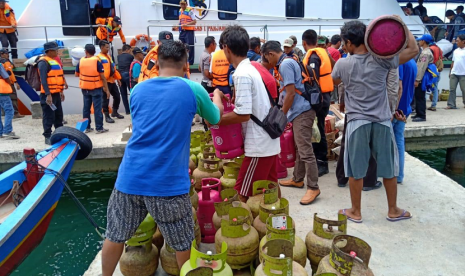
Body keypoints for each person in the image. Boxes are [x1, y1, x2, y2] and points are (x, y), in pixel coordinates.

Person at [101, 40, 223, 276]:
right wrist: (216, 95)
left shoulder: (138, 90)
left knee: (115, 235)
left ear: (157, 63)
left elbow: (146, 130)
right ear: (185, 63)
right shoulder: (193, 89)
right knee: (182, 240)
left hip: (130, 179)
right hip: (167, 184)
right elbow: (215, 119)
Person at [331, 19, 418, 223]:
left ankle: (355, 211)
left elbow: (334, 81)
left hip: (357, 122)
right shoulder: (382, 60)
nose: (344, 46)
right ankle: (393, 210)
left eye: (345, 43)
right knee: (389, 169)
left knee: (355, 170)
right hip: (381, 121)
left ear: (350, 43)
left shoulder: (343, 63)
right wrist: (399, 24)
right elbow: (413, 50)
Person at [216, 25, 280, 203]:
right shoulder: (252, 68)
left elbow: (243, 114)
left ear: (226, 48)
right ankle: (278, 224)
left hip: (259, 145)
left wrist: (217, 120)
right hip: (268, 141)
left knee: (242, 193)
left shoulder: (242, 74)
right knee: (271, 190)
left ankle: (235, 228)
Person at [262, 41, 320, 205]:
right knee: (299, 147)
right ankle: (298, 179)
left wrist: (282, 115)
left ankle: (313, 187)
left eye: (266, 58)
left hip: (302, 111)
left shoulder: (285, 65)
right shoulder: (289, 60)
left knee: (305, 150)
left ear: (270, 54)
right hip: (300, 111)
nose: (267, 62)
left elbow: (290, 94)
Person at [301, 29, 334, 176]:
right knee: (317, 130)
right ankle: (318, 161)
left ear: (304, 43)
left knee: (318, 131)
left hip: (318, 100)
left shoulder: (313, 57)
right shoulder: (322, 53)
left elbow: (313, 83)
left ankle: (321, 163)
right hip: (324, 97)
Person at [38, 42, 68, 145]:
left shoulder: (54, 61)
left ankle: (59, 133)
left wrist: (61, 91)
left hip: (56, 94)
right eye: (55, 50)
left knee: (58, 115)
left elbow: (58, 78)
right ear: (49, 51)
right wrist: (48, 94)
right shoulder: (43, 62)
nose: (57, 51)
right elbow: (43, 80)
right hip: (48, 95)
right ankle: (47, 136)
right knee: (48, 116)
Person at [75, 44, 110, 134]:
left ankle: (87, 127)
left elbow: (76, 74)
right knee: (97, 108)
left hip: (85, 88)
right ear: (94, 52)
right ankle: (99, 128)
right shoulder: (97, 61)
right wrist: (106, 89)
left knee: (86, 108)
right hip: (96, 88)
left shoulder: (81, 61)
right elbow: (103, 76)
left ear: (86, 51)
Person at [394, 58, 418, 184]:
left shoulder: (400, 61)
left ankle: (392, 174)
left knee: (389, 143)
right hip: (405, 107)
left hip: (397, 110)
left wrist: (394, 110)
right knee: (399, 142)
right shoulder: (412, 61)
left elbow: (399, 87)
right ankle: (398, 175)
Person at [97, 40, 124, 123]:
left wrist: (118, 79)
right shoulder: (98, 58)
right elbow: (99, 72)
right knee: (105, 99)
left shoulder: (108, 56)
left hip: (112, 81)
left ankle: (114, 112)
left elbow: (113, 68)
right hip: (105, 82)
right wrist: (103, 84)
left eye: (108, 47)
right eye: (107, 47)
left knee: (117, 96)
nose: (108, 49)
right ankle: (107, 116)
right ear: (101, 47)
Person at [413, 34, 434, 122]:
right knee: (418, 96)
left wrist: (417, 80)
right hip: (422, 76)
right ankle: (418, 113)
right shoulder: (425, 51)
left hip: (422, 77)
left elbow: (421, 67)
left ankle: (421, 115)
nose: (419, 42)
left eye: (420, 40)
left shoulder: (425, 53)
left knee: (420, 96)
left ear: (424, 41)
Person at [0, 49, 22, 118]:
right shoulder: (5, 62)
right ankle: (15, 113)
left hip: (2, 84)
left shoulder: (3, 62)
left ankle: (7, 113)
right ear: (2, 54)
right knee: (13, 97)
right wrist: (15, 82)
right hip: (8, 83)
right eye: (6, 53)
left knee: (5, 99)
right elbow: (10, 74)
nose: (8, 55)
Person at [447, 34, 465, 109]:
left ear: (463, 41)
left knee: (464, 89)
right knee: (452, 89)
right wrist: (450, 71)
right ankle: (451, 104)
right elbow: (453, 62)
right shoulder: (455, 51)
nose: (456, 42)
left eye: (458, 41)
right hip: (454, 73)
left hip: (463, 73)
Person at [0, 62, 18, 139]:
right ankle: (7, 131)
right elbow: (6, 77)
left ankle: (0, 131)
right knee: (9, 111)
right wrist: (10, 83)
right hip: (2, 91)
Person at [117, 44, 133, 115]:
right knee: (132, 93)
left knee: (123, 94)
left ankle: (127, 111)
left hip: (120, 76)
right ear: (127, 49)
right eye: (130, 50)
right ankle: (133, 109)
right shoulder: (130, 56)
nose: (130, 52)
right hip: (127, 75)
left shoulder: (118, 56)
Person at [179, 1, 196, 65]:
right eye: (181, 4)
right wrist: (176, 27)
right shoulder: (180, 11)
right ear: (179, 4)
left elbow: (194, 21)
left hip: (189, 31)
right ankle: (183, 60)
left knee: (190, 46)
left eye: (184, 4)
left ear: (186, 4)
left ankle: (190, 62)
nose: (182, 5)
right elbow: (180, 21)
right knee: (181, 46)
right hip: (182, 31)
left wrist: (187, 24)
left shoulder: (190, 11)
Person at [428, 41, 443, 111]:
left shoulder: (431, 49)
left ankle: (432, 105)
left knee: (425, 87)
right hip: (437, 69)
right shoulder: (439, 49)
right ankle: (434, 104)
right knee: (435, 87)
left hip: (431, 70)